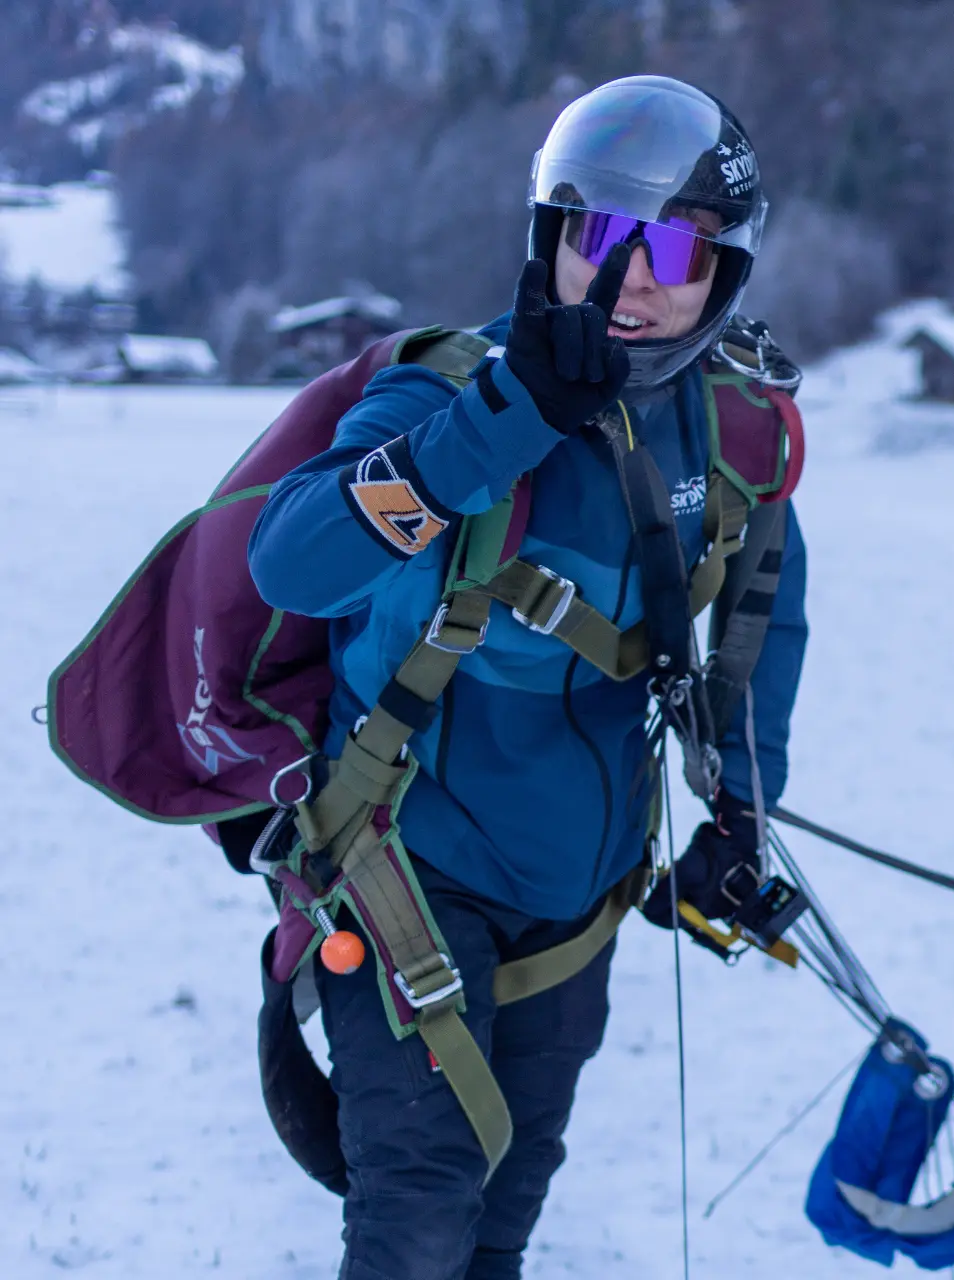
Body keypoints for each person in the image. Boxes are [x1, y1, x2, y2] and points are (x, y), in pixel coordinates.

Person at [248, 76, 807, 1279]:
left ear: (726, 275)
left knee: (508, 1201)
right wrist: (506, 422)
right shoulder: (444, 391)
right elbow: (293, 559)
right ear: (551, 238)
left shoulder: (734, 433)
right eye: (600, 233)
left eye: (677, 247)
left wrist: (744, 812)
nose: (636, 278)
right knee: (418, 1212)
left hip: (581, 894)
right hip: (407, 867)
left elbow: (766, 618)